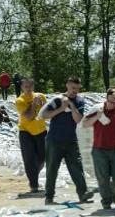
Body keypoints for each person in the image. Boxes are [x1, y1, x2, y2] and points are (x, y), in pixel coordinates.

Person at [38, 76, 94, 205]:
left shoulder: (80, 101)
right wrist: (60, 109)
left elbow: (78, 120)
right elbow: (42, 115)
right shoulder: (57, 99)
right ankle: (49, 197)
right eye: (73, 88)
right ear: (67, 85)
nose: (75, 90)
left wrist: (72, 106)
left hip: (71, 141)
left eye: (77, 88)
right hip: (54, 140)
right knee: (52, 169)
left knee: (77, 168)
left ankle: (83, 195)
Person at [82, 88, 115, 209]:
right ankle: (106, 202)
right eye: (111, 101)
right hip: (99, 149)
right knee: (103, 178)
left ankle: (111, 193)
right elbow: (84, 124)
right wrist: (97, 116)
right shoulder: (98, 109)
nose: (113, 104)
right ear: (106, 98)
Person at [16, 78, 47, 193]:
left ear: (33, 86)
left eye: (30, 86)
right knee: (29, 159)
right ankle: (34, 184)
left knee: (43, 157)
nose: (28, 88)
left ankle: (34, 173)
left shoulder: (41, 96)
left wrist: (43, 104)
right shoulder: (20, 100)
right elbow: (28, 116)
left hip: (41, 131)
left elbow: (46, 112)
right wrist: (34, 104)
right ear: (22, 87)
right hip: (26, 132)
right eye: (26, 86)